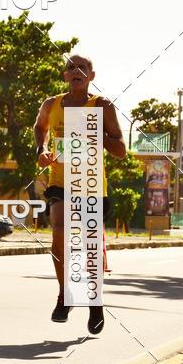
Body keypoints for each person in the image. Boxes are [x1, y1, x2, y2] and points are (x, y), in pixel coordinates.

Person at [33, 54, 126, 334]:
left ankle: (94, 303)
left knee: (89, 247)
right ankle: (65, 295)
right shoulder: (52, 104)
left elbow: (121, 150)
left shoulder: (102, 106)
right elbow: (40, 128)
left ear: (91, 75)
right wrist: (42, 150)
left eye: (82, 68)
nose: (76, 71)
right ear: (65, 75)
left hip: (92, 185)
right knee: (59, 232)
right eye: (71, 68)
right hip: (60, 181)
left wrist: (96, 131)